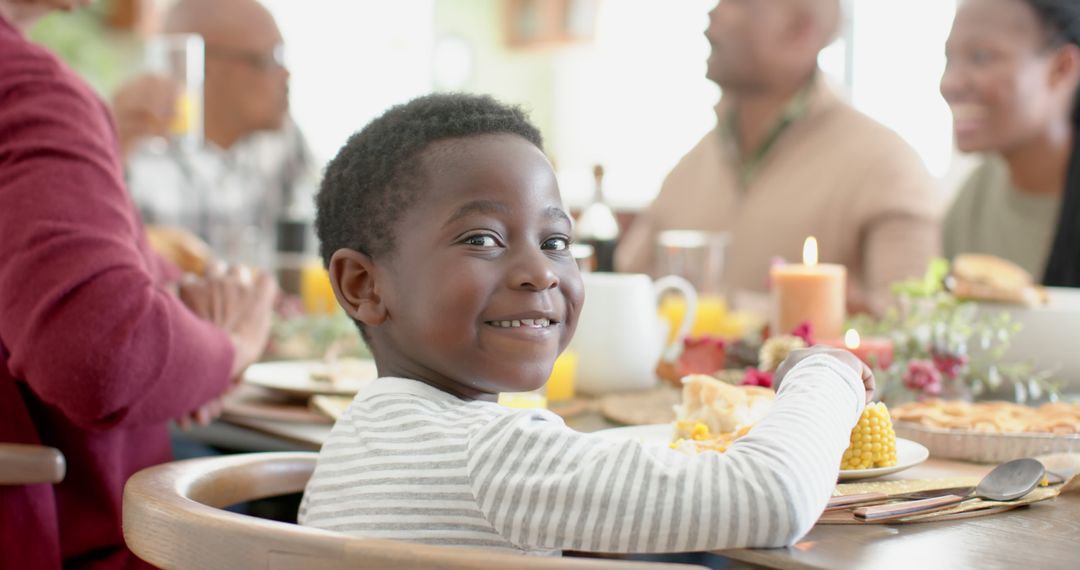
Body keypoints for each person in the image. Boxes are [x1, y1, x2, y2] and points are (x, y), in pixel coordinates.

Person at [298, 93, 874, 556]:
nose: (540, 272)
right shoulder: (494, 456)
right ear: (362, 286)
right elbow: (771, 497)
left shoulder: (358, 434)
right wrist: (824, 371)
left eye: (556, 242)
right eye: (482, 239)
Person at [0, 1, 277, 568]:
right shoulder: (30, 90)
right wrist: (228, 348)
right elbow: (103, 348)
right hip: (77, 539)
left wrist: (181, 309)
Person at [616, 0, 940, 314]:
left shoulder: (886, 165)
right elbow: (626, 287)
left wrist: (737, 311)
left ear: (798, 29)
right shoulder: (690, 165)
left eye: (736, 2)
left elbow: (907, 318)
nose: (714, 13)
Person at [113, 0, 317, 270]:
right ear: (203, 66)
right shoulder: (130, 150)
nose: (286, 74)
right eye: (270, 59)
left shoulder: (285, 146)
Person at [941, 0, 1080, 287]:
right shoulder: (975, 197)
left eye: (980, 57)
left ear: (1062, 69)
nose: (948, 83)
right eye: (948, 58)